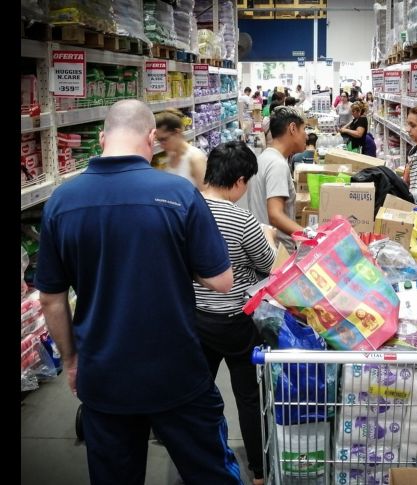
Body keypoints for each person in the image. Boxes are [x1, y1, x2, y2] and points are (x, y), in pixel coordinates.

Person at [34, 99, 242, 484]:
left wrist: (73, 361)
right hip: (175, 371)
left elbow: (50, 297)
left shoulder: (62, 202)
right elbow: (221, 281)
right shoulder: (178, 194)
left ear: (101, 139)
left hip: (103, 372)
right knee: (209, 471)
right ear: (151, 137)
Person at [194, 141, 277, 485]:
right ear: (240, 181)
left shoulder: (187, 209)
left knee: (198, 394)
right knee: (247, 397)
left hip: (196, 318)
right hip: (237, 322)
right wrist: (270, 238)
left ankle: (202, 463)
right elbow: (269, 267)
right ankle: (258, 472)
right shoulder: (243, 220)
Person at [239, 106, 306, 252]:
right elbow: (275, 215)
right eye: (304, 130)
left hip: (262, 248)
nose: (306, 136)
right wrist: (309, 237)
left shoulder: (263, 158)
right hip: (277, 254)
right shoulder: (277, 164)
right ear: (293, 129)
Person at [155, 109, 207, 190]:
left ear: (177, 132)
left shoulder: (196, 158)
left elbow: (206, 195)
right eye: (159, 141)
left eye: (164, 139)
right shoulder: (171, 155)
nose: (161, 146)